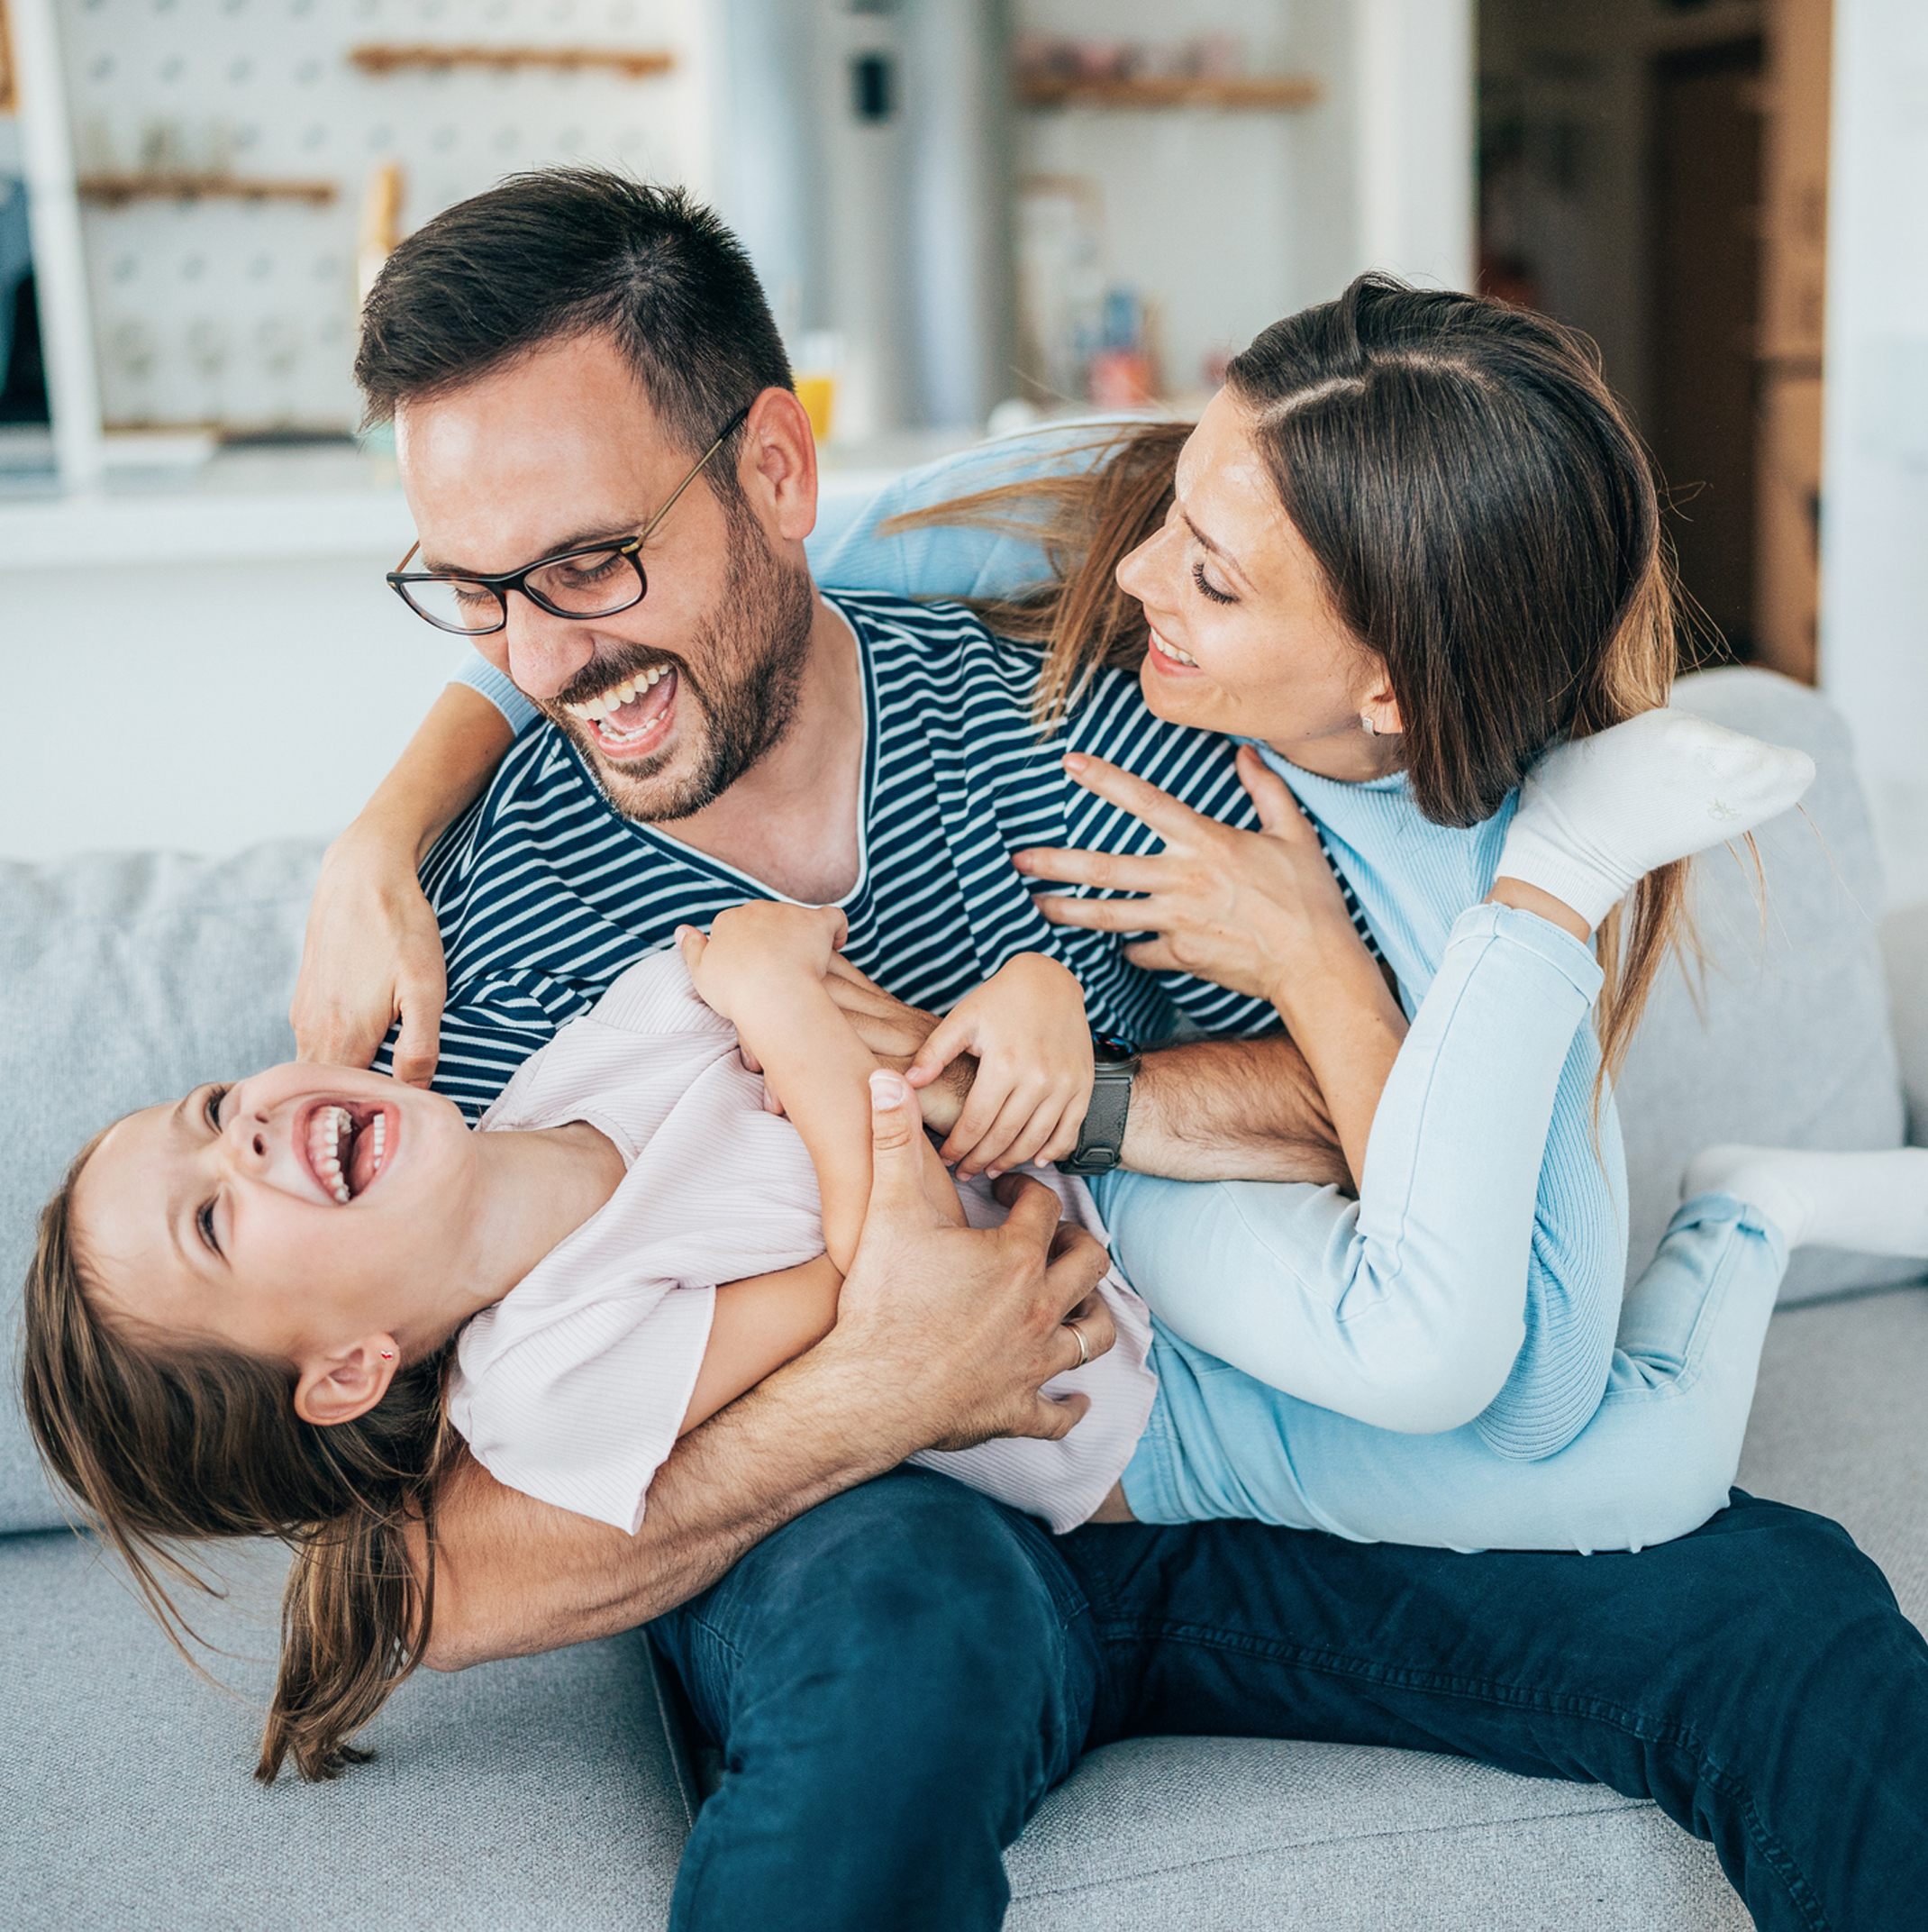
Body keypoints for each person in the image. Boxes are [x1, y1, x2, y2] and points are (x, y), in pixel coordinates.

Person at [263, 169, 1927, 1929]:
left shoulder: (1107, 701)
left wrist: (1096, 1097)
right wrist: (884, 1388)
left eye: (591, 564)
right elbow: (403, 1579)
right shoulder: (477, 937)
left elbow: (1431, 1127)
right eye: (474, 594)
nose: (541, 658)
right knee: (910, 1647)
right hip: (868, 1527)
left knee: (1773, 1609)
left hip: (1226, 1447)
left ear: (773, 471)